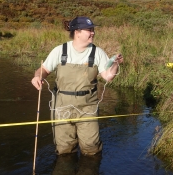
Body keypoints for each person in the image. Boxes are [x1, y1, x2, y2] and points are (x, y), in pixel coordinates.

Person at [31, 16, 124, 156]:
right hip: (61, 106)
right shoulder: (59, 50)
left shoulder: (97, 52)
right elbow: (43, 69)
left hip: (88, 107)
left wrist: (116, 63)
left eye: (93, 30)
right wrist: (37, 77)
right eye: (89, 30)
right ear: (77, 32)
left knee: (91, 148)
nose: (92, 32)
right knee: (64, 150)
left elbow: (108, 77)